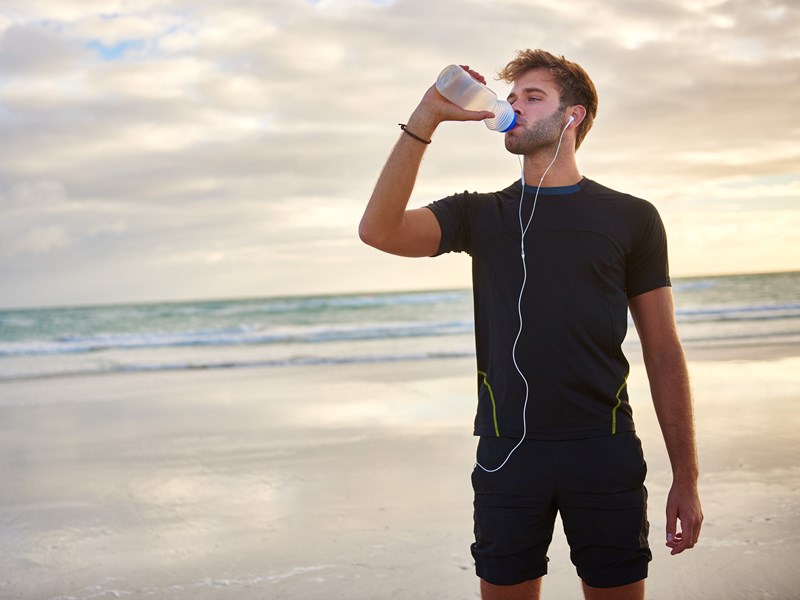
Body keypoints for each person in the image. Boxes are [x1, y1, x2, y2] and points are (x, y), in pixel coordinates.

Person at [358, 49, 702, 600]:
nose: (512, 106)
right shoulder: (479, 214)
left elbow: (662, 350)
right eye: (511, 97)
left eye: (532, 96)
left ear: (574, 115)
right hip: (507, 453)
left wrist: (686, 476)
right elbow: (378, 230)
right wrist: (425, 117)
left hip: (604, 447)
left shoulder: (632, 217)